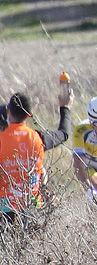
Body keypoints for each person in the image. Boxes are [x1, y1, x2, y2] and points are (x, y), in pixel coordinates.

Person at [1, 84, 71, 227]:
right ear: (30, 114)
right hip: (32, 208)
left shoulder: (2, 139)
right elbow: (64, 133)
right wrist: (65, 107)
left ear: (8, 111)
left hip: (5, 210)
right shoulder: (37, 138)